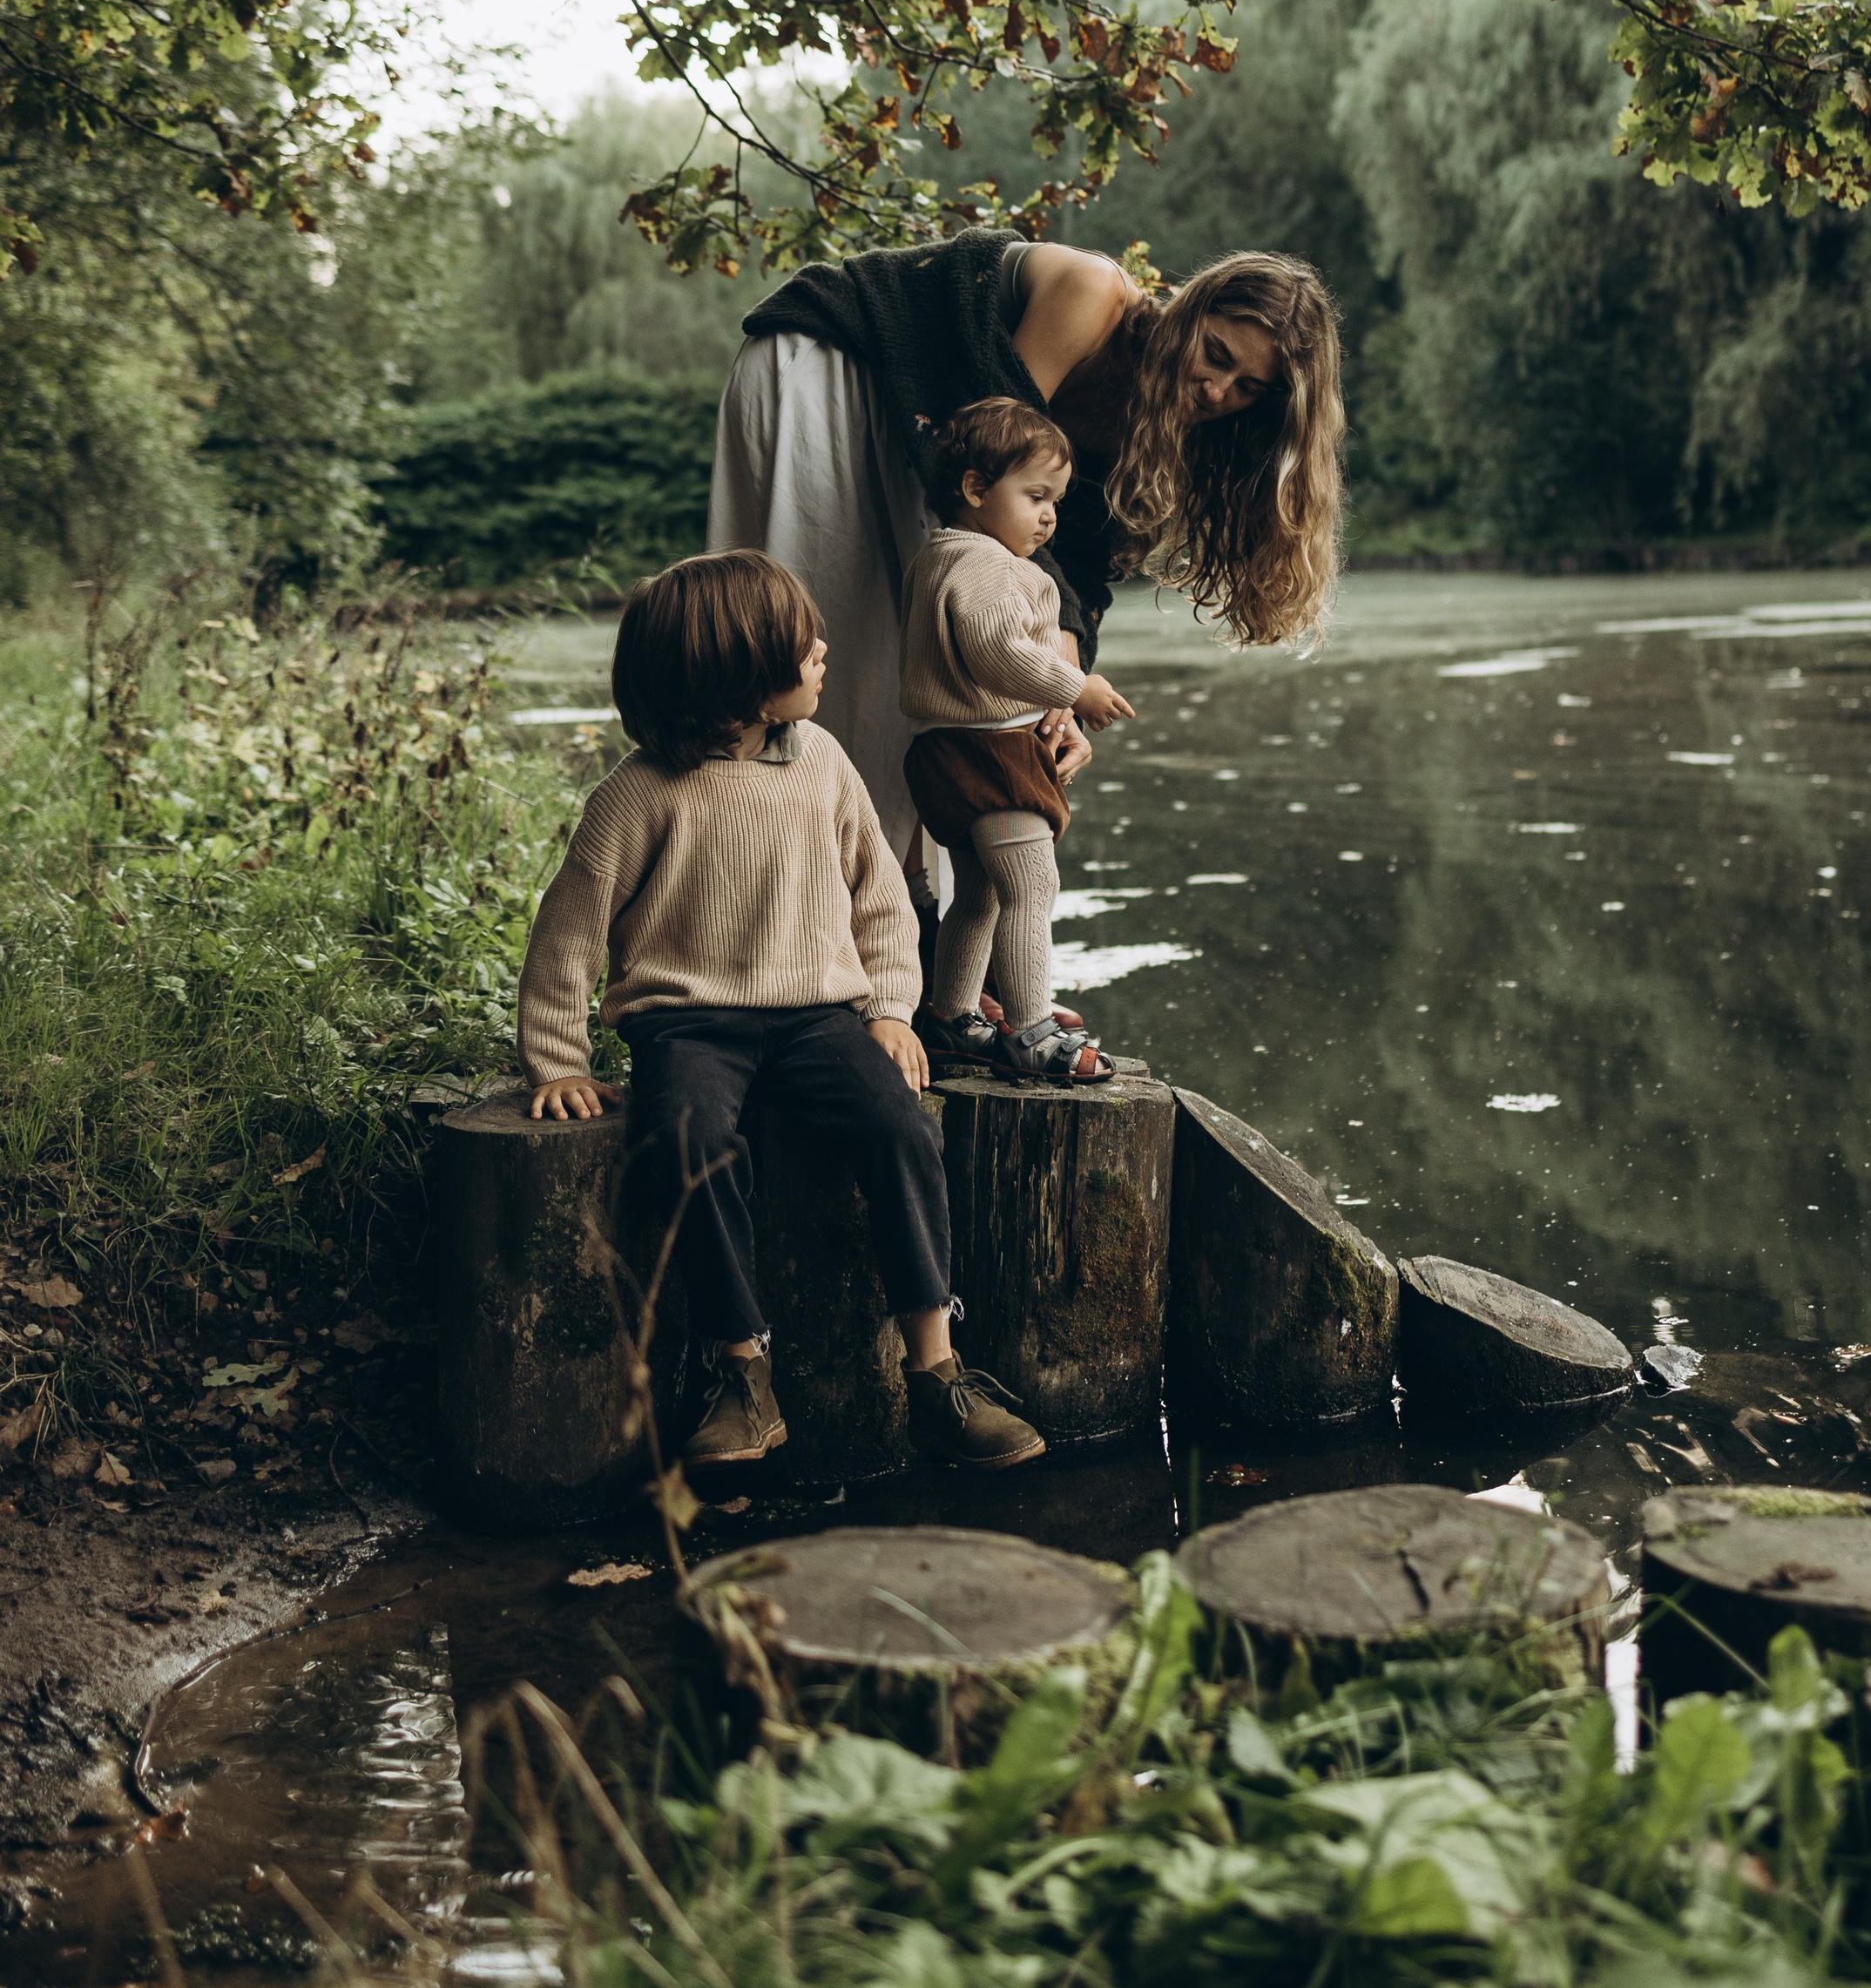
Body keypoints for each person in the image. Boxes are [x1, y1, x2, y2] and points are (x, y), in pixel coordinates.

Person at [514, 550, 1044, 1473]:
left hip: (817, 1019)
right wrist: (557, 1060)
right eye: (804, 646)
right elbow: (568, 931)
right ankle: (742, 1372)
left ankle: (935, 1369)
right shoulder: (637, 794)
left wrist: (890, 1008)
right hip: (686, 1022)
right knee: (688, 1143)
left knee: (900, 1128)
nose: (823, 652)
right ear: (737, 674)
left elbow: (881, 899)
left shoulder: (822, 762)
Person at [706, 240, 1345, 877]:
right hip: (835, 366)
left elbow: (1081, 568)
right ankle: (774, 878)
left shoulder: (1167, 429)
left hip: (924, 438)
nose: (1215, 390)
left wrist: (1063, 690)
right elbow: (984, 464)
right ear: (1188, 309)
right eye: (1216, 355)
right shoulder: (1093, 295)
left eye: (1247, 388)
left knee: (956, 680)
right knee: (829, 653)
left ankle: (900, 910)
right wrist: (1057, 663)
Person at [902, 396, 1137, 1085]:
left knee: (979, 892)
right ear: (976, 488)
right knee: (1033, 886)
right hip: (991, 754)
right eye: (1036, 496)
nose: (1050, 515)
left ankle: (951, 1015)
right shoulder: (986, 564)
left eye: (1055, 500)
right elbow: (998, 653)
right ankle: (1031, 1030)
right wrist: (1075, 685)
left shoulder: (940, 557)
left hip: (948, 753)